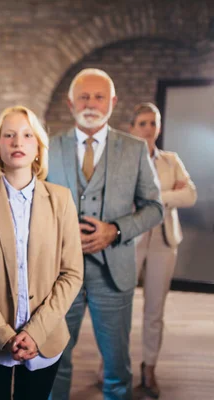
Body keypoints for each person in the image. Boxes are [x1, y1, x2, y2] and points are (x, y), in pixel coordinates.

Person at [47, 68, 163, 400]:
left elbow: (154, 207)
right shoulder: (48, 147)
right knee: (55, 361)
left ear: (112, 102)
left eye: (99, 96)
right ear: (71, 103)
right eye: (84, 96)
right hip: (59, 273)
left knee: (116, 366)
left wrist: (116, 230)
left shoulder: (135, 148)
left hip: (114, 274)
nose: (91, 103)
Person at [0, 106, 83, 400]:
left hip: (46, 339)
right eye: (9, 135)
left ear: (39, 148)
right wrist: (3, 335)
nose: (18, 143)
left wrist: (36, 332)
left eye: (27, 135)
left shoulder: (62, 200)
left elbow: (72, 273)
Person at [129, 102, 196, 398]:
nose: (148, 129)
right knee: (117, 309)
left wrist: (156, 197)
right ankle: (114, 364)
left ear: (159, 127)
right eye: (142, 123)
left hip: (164, 242)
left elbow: (190, 195)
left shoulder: (171, 160)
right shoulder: (124, 160)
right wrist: (170, 195)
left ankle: (149, 368)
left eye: (152, 123)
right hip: (131, 241)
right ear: (132, 128)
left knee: (155, 309)